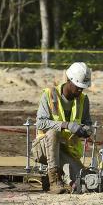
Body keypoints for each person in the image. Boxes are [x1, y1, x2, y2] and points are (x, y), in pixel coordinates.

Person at [32, 63, 94, 194]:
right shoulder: (49, 95)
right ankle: (54, 180)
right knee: (53, 133)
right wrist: (65, 125)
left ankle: (58, 180)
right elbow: (40, 123)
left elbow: (88, 123)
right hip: (43, 147)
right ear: (69, 80)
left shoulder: (83, 100)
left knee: (84, 180)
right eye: (78, 87)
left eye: (83, 88)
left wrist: (86, 130)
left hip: (66, 151)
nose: (80, 91)